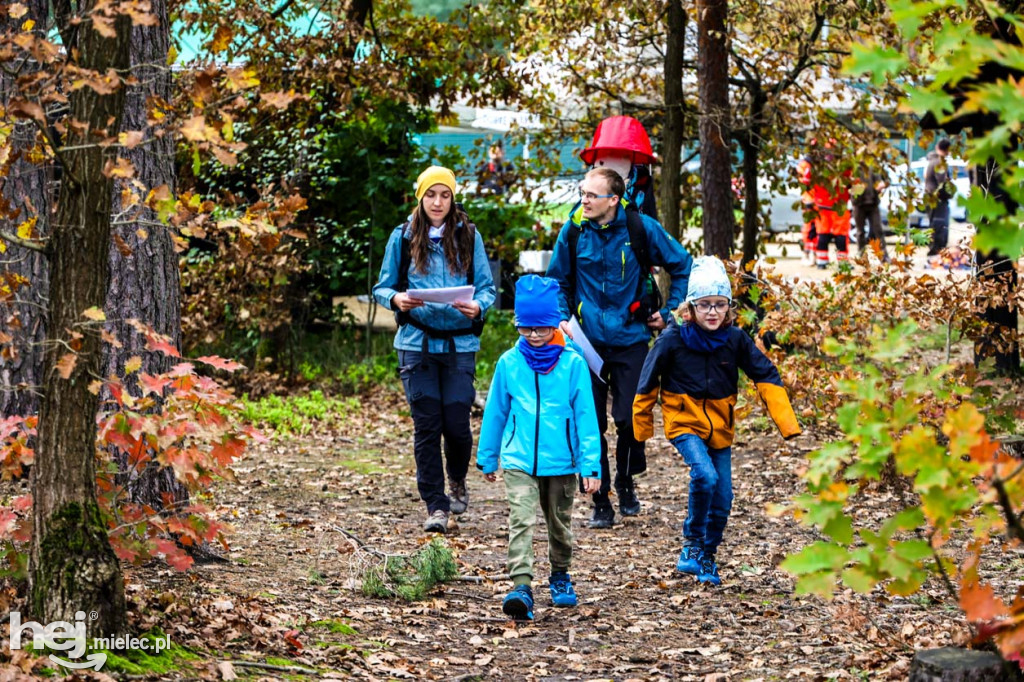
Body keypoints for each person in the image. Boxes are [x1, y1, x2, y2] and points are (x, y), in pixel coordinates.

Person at [632, 256, 801, 585]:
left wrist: (788, 424)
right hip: (684, 423)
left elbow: (764, 373)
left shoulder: (734, 339)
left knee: (724, 498)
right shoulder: (673, 338)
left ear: (729, 307)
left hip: (720, 428)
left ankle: (708, 556)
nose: (712, 312)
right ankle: (692, 544)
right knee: (705, 476)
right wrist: (641, 428)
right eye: (705, 304)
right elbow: (647, 380)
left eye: (720, 305)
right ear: (690, 307)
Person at [547, 167, 693, 529]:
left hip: (631, 339)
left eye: (592, 195)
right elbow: (557, 281)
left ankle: (627, 480)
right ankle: (601, 499)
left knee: (629, 419)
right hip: (586, 342)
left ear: (614, 199)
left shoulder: (640, 229)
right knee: (590, 423)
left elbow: (683, 265)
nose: (584, 200)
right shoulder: (574, 230)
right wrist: (564, 319)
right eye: (582, 193)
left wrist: (671, 311)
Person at [373, 166, 496, 534]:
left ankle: (457, 478)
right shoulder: (403, 236)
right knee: (427, 427)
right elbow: (382, 287)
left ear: (453, 198)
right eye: (431, 195)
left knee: (457, 425)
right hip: (416, 344)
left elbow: (488, 289)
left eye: (444, 195)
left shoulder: (469, 235)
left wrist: (479, 307)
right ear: (420, 198)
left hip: (460, 344)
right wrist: (396, 298)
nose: (438, 202)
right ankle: (436, 506)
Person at [476, 275, 602, 621]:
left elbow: (586, 418)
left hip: (561, 461)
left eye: (541, 328)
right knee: (521, 519)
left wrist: (591, 467)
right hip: (518, 458)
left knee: (558, 523)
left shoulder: (573, 363)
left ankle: (560, 575)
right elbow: (496, 413)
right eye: (525, 327)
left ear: (554, 325)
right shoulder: (509, 363)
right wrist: (488, 456)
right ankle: (521, 586)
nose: (533, 335)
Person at [851, 163, 890, 263]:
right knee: (860, 232)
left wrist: (882, 185)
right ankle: (862, 256)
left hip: (873, 203)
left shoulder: (874, 166)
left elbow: (885, 179)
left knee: (878, 230)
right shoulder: (854, 167)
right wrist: (858, 188)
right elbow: (848, 185)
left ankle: (883, 256)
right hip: (859, 204)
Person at [924, 138, 953, 261]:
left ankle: (934, 251)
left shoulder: (932, 161)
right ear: (948, 150)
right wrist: (949, 193)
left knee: (934, 225)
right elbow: (942, 184)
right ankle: (936, 253)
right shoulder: (939, 163)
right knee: (940, 226)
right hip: (938, 199)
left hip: (931, 198)